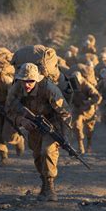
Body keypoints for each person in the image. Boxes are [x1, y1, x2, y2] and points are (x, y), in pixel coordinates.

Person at [6, 63, 72, 201]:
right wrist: (21, 121)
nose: (27, 84)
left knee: (47, 151)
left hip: (52, 124)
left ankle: (50, 186)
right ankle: (44, 183)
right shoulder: (15, 89)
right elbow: (9, 111)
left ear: (37, 79)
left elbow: (65, 113)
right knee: (37, 156)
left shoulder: (49, 89)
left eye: (30, 81)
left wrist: (64, 135)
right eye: (24, 81)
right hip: (33, 127)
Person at [70, 71, 102, 154]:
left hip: (88, 111)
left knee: (89, 130)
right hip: (77, 110)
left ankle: (89, 144)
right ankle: (81, 147)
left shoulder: (87, 86)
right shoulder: (70, 85)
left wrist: (89, 102)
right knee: (76, 126)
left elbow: (98, 97)